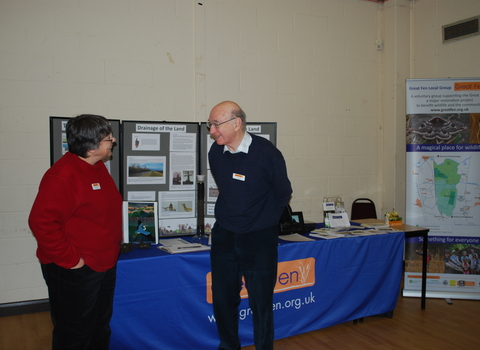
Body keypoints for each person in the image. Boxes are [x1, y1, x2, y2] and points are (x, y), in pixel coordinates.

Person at [28, 114, 123, 350]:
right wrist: (72, 261)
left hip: (103, 264)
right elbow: (42, 222)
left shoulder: (98, 167)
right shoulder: (62, 176)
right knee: (74, 332)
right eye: (107, 138)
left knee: (100, 326)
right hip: (75, 270)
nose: (112, 141)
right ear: (90, 148)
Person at [207, 101, 292, 350]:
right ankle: (228, 346)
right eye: (210, 125)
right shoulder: (216, 152)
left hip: (258, 238)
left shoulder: (267, 154)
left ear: (237, 123)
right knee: (222, 300)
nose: (212, 131)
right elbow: (228, 190)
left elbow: (283, 193)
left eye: (216, 124)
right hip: (224, 235)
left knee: (260, 303)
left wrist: (262, 220)